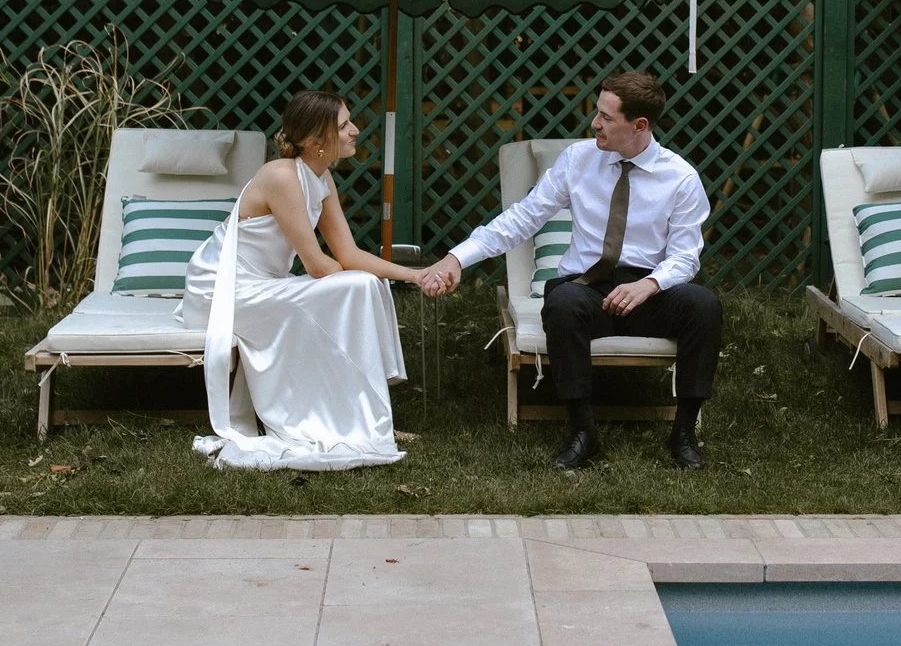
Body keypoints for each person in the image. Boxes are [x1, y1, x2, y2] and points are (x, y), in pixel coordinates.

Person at [416, 70, 721, 471]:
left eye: (606, 117)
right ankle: (581, 430)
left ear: (639, 125)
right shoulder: (578, 160)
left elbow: (685, 257)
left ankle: (683, 432)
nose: (595, 123)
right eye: (597, 112)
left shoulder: (680, 178)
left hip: (648, 293)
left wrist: (649, 284)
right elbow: (523, 218)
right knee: (561, 303)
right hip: (586, 288)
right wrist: (457, 258)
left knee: (704, 305)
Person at [185, 89, 420, 471]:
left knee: (364, 284)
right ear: (315, 141)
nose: (355, 130)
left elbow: (348, 254)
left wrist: (415, 274)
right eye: (343, 125)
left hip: (261, 283)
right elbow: (316, 265)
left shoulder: (321, 178)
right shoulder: (282, 176)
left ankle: (359, 417)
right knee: (356, 288)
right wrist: (352, 285)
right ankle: (352, 419)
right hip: (223, 288)